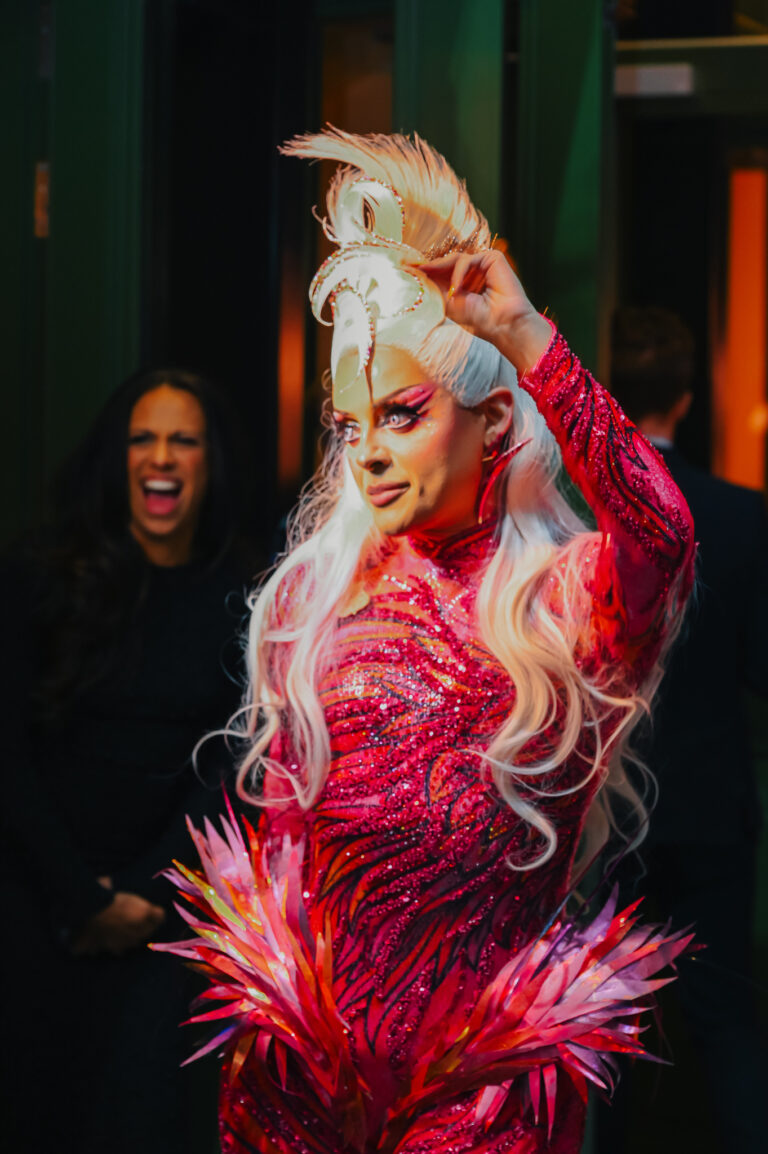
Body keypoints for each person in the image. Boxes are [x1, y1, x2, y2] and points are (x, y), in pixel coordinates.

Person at [160, 131, 696, 1154]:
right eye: (349, 423)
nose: (367, 452)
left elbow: (663, 533)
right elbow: (284, 842)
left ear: (493, 421)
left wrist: (528, 338)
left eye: (401, 414)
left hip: (481, 1096)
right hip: (297, 1081)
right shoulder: (318, 593)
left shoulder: (561, 602)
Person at [0, 369, 258, 1154]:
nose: (162, 457)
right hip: (36, 903)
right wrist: (80, 898)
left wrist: (144, 895)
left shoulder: (244, 595)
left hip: (163, 918)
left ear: (212, 461)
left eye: (185, 441)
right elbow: (8, 755)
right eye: (143, 438)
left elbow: (233, 765)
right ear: (116, 457)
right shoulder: (39, 576)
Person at [596, 306, 768, 1154]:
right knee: (726, 1021)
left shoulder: (585, 510)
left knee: (601, 1026)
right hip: (709, 802)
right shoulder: (742, 515)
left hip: (608, 810)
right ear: (688, 397)